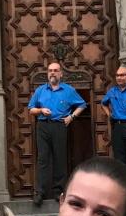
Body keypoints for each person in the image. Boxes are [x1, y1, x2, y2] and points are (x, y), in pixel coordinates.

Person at [27, 61, 86, 205]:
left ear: (61, 73)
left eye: (55, 70)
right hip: (43, 126)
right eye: (50, 71)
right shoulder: (40, 90)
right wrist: (41, 110)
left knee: (60, 158)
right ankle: (40, 192)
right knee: (43, 159)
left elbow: (82, 104)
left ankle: (59, 191)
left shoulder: (68, 90)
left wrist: (71, 117)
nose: (52, 73)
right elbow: (31, 109)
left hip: (60, 126)